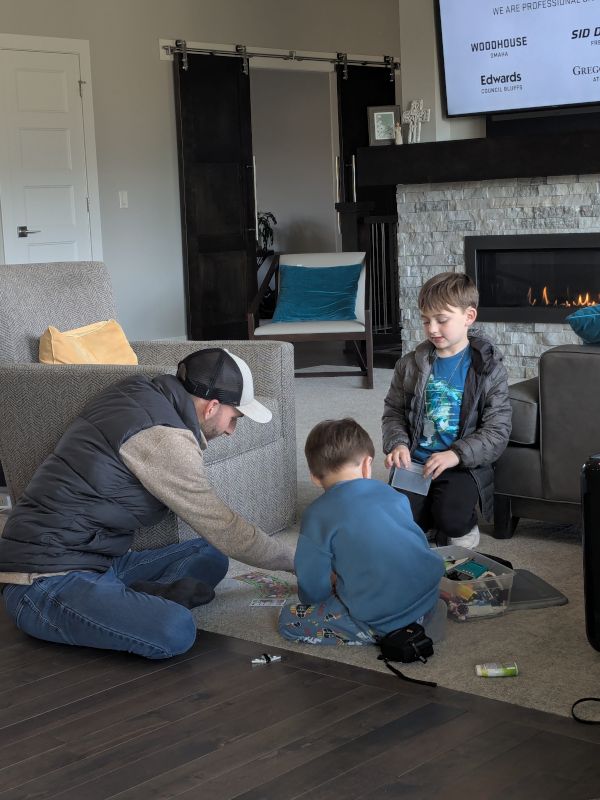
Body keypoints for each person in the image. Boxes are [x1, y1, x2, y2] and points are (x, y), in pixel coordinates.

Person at [0, 348, 294, 659]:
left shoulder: (139, 390)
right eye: (234, 418)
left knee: (209, 554)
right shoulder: (165, 439)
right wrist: (298, 563)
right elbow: (224, 526)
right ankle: (138, 603)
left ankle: (129, 599)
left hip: (98, 560)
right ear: (212, 407)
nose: (232, 431)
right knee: (175, 630)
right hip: (44, 581)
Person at [278, 418, 446, 646]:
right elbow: (411, 545)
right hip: (429, 598)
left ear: (315, 478)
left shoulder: (316, 515)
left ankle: (373, 632)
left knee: (288, 621)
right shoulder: (394, 495)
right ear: (368, 464)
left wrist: (316, 604)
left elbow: (311, 581)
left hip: (379, 619)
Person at [382, 272, 512, 549]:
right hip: (416, 462)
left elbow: (497, 431)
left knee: (451, 519)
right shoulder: (409, 365)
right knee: (393, 521)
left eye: (441, 320)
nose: (432, 329)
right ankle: (427, 522)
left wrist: (456, 454)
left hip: (460, 464)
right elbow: (393, 410)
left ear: (469, 316)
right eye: (426, 320)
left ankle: (454, 524)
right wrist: (398, 444)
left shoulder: (488, 369)